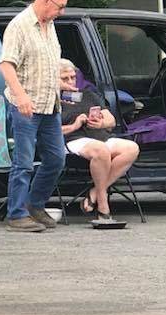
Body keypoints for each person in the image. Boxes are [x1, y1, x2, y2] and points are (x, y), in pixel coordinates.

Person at [0, 0, 73, 232]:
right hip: (25, 108)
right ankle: (16, 214)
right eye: (60, 7)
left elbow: (46, 64)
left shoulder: (50, 26)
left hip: (50, 106)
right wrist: (21, 97)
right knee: (24, 163)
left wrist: (60, 85)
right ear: (46, 1)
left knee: (56, 159)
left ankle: (35, 205)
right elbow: (6, 65)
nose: (61, 13)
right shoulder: (19, 26)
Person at [59, 59, 140, 223]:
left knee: (132, 148)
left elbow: (111, 120)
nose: (71, 81)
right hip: (73, 139)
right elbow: (49, 131)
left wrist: (100, 123)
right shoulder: (53, 100)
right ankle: (103, 207)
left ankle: (94, 193)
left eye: (73, 77)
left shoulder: (88, 94)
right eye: (65, 78)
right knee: (101, 150)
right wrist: (75, 125)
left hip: (99, 135)